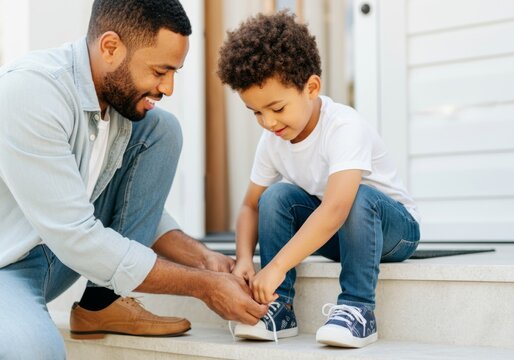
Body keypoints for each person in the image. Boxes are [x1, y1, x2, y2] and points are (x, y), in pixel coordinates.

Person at [0, 0, 268, 358]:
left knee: (161, 128)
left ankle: (103, 302)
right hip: (9, 265)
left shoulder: (116, 105)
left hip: (60, 255)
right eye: (160, 71)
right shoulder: (31, 92)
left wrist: (205, 260)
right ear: (110, 47)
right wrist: (204, 286)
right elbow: (78, 236)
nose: (169, 87)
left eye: (174, 73)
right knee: (37, 351)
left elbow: (128, 204)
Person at [217, 11, 421, 348]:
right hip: (342, 235)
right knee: (275, 197)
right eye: (256, 112)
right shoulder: (272, 141)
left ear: (311, 87)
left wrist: (277, 265)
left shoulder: (343, 126)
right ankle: (278, 308)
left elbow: (336, 208)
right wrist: (243, 259)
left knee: (356, 196)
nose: (268, 122)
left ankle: (358, 308)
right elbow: (250, 206)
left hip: (394, 232)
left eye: (277, 108)